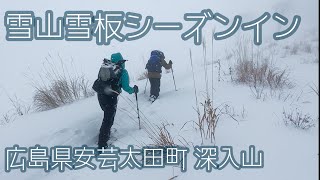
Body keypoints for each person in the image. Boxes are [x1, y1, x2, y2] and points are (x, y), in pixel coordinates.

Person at [93, 52, 138, 149]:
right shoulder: (123, 71)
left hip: (101, 94)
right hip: (111, 97)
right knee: (108, 120)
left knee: (107, 117)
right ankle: (102, 144)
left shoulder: (106, 67)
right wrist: (133, 90)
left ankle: (105, 134)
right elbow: (126, 87)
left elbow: (101, 80)